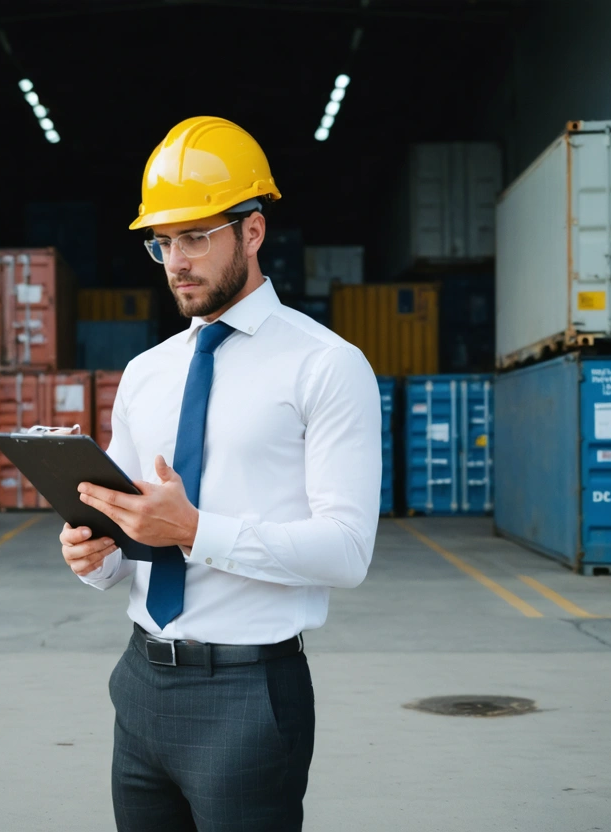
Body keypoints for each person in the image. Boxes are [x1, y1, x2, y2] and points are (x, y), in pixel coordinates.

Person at [59, 115, 381, 832]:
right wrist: (94, 555)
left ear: (253, 231)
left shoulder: (326, 365)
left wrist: (196, 530)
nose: (176, 261)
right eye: (162, 242)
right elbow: (129, 536)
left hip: (249, 692)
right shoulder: (146, 373)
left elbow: (347, 551)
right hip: (139, 683)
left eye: (196, 237)